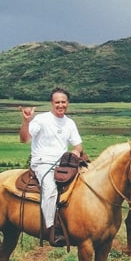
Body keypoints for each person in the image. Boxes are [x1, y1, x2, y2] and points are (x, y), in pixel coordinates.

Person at [19, 87, 83, 246]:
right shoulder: (41, 119)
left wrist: (76, 151)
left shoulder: (69, 123)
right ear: (51, 103)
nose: (60, 105)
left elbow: (78, 145)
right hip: (42, 162)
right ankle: (52, 229)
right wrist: (26, 121)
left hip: (62, 162)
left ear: (68, 103)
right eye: (57, 102)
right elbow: (24, 139)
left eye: (63, 102)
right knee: (50, 189)